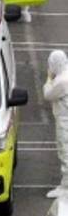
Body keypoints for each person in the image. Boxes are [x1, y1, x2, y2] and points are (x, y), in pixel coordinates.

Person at [44, 50, 68, 197]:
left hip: (65, 121)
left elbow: (48, 94)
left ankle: (66, 187)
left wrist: (48, 78)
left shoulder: (61, 81)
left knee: (65, 152)